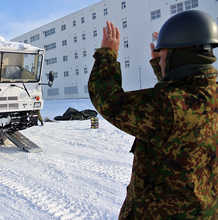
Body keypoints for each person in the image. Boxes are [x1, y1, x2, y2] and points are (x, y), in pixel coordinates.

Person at [88, 10, 218, 219]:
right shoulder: (208, 95)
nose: (160, 59)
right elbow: (178, 97)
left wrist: (107, 54)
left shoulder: (167, 108)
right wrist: (163, 67)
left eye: (164, 54)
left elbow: (109, 101)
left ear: (179, 56)